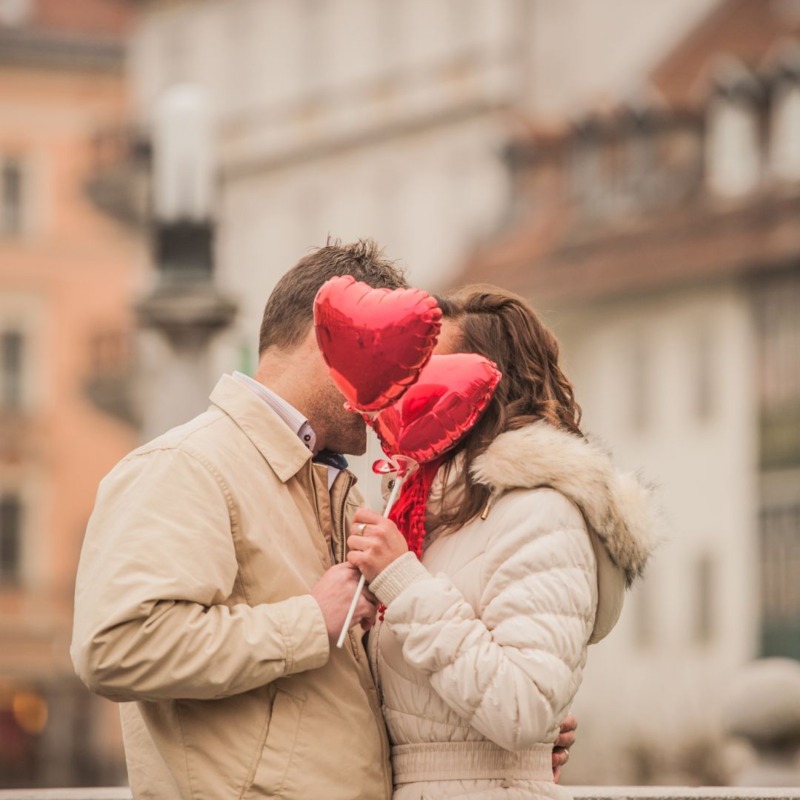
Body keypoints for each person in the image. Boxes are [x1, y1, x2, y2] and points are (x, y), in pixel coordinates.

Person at [71, 242, 574, 800]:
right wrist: (308, 620)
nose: (405, 384)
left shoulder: (337, 485)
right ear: (331, 334)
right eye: (396, 353)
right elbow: (116, 647)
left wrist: (476, 746)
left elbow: (329, 699)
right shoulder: (188, 465)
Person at [347, 287, 660, 799]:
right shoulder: (428, 512)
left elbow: (524, 707)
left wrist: (403, 584)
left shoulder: (539, 511)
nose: (408, 384)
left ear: (487, 384)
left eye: (428, 367)